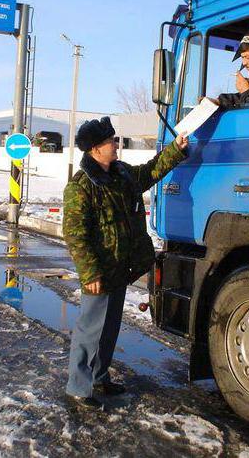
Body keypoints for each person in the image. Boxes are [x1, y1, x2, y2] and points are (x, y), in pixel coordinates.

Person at [63, 116, 189, 409]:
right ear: (95, 149)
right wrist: (90, 271)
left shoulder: (121, 174)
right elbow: (74, 233)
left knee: (109, 328)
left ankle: (99, 377)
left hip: (121, 267)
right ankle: (79, 387)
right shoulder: (82, 186)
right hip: (100, 271)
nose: (115, 144)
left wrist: (176, 149)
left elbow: (150, 172)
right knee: (90, 330)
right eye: (110, 141)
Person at [206, 24, 249, 109]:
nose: (244, 63)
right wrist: (219, 101)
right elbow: (242, 98)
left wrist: (246, 90)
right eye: (242, 57)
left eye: (247, 57)